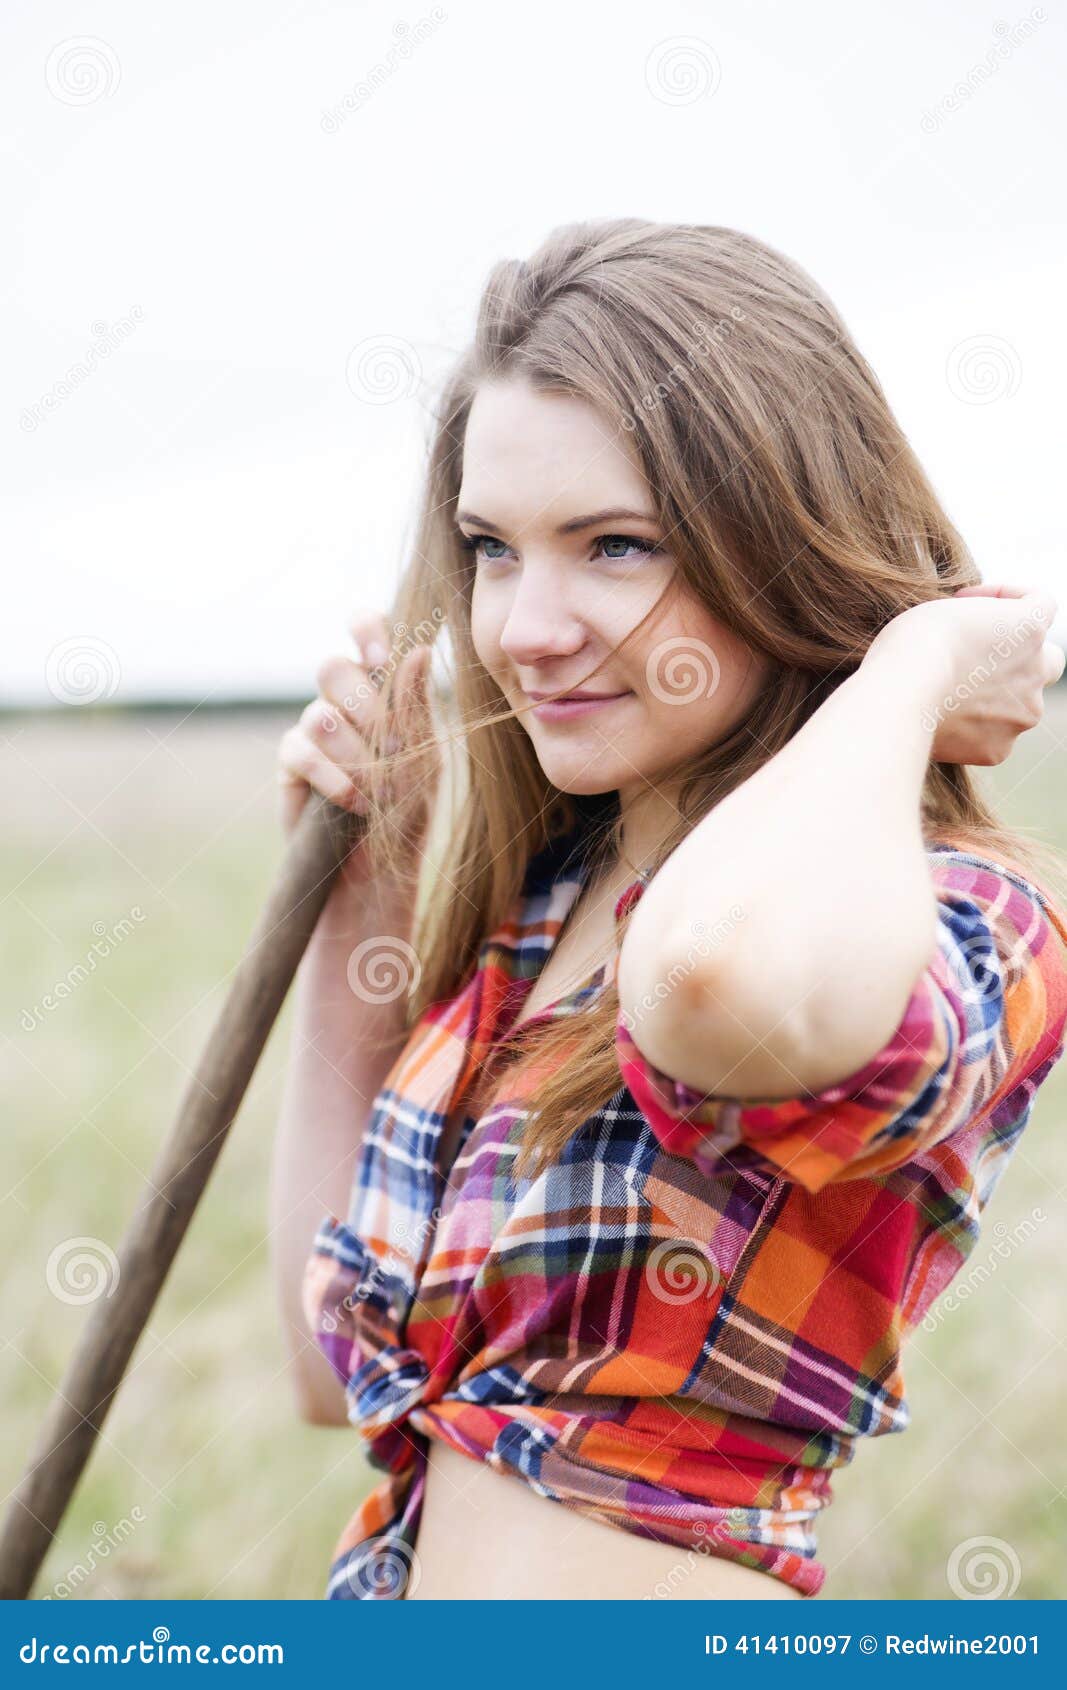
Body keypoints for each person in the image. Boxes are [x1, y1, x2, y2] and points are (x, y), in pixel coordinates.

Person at [270, 219, 1067, 1601]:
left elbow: (711, 982)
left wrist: (918, 660)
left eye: (616, 545)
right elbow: (333, 1367)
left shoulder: (954, 916)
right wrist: (362, 912)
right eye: (494, 548)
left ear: (781, 537)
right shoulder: (540, 926)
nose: (524, 626)